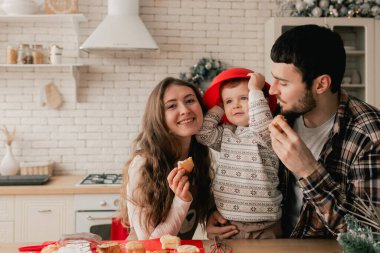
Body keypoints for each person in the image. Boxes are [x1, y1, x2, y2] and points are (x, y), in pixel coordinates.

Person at [207, 24, 380, 239]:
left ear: (321, 84)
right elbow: (243, 168)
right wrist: (218, 215)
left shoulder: (370, 135)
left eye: (284, 83)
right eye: (274, 78)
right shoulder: (276, 114)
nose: (272, 89)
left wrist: (308, 169)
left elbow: (370, 236)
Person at [120, 77, 214, 240]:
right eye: (172, 106)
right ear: (159, 119)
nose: (185, 110)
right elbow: (151, 243)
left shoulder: (197, 157)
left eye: (190, 100)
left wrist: (211, 217)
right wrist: (181, 201)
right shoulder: (144, 164)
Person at [196, 68, 282, 239]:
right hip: (227, 223)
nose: (235, 105)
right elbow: (203, 134)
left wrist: (256, 90)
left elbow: (261, 125)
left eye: (244, 98)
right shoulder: (227, 133)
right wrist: (219, 107)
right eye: (228, 101)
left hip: (266, 224)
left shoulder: (269, 131)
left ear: (261, 102)